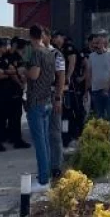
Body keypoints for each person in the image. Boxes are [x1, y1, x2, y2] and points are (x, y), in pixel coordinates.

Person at [23, 25, 58, 193]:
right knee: (45, 141)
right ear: (42, 35)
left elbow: (34, 74)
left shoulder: (36, 53)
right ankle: (46, 175)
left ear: (30, 36)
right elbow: (52, 76)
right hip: (47, 100)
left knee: (39, 143)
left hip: (36, 101)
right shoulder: (50, 53)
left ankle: (43, 180)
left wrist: (24, 70)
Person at [87, 32, 110, 151]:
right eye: (94, 43)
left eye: (98, 43)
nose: (95, 45)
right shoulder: (91, 56)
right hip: (96, 91)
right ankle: (104, 144)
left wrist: (108, 85)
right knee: (100, 119)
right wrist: (87, 89)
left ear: (104, 43)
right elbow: (89, 73)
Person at [42, 28, 66, 179]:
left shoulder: (56, 55)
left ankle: (56, 166)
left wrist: (58, 98)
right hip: (38, 97)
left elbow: (61, 77)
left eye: (42, 36)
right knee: (41, 134)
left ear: (49, 37)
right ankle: (45, 166)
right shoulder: (36, 54)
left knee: (54, 132)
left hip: (52, 96)